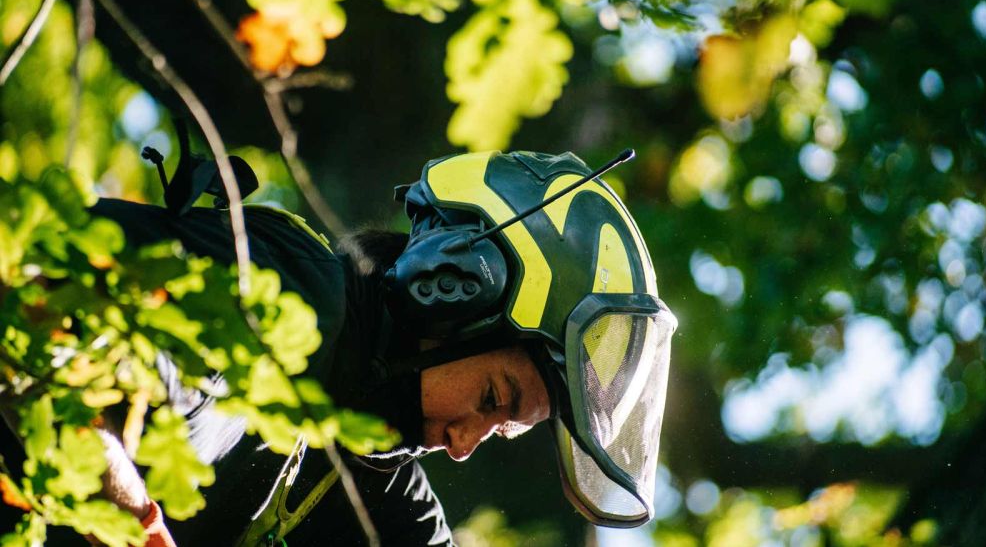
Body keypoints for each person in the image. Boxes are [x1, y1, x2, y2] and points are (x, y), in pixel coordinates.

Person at [9, 149, 678, 545]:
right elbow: (42, 324)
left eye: (501, 430)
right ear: (451, 290)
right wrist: (135, 526)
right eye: (491, 399)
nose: (465, 444)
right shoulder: (293, 299)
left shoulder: (366, 477)